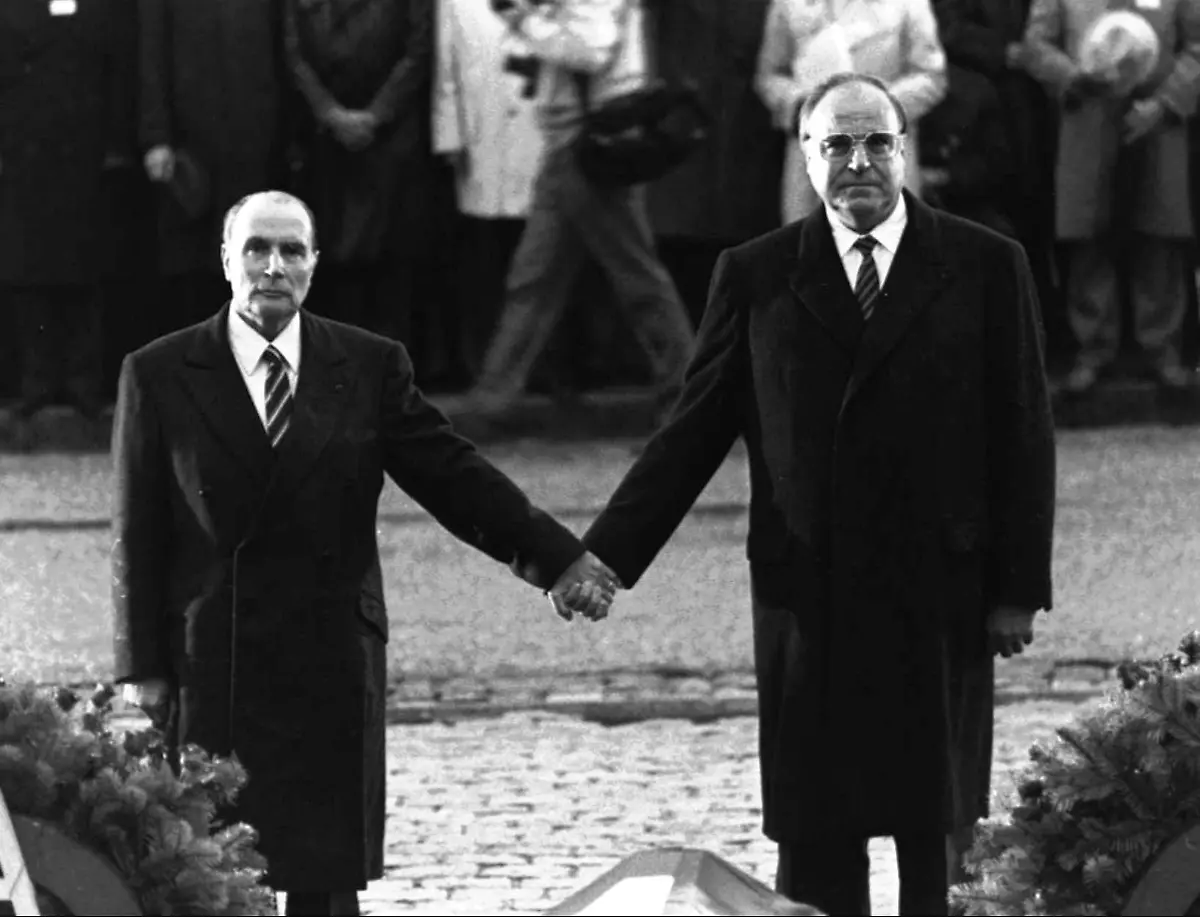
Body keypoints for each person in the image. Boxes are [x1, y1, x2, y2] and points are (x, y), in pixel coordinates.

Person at [564, 73, 1057, 916]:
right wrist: (603, 554)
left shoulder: (985, 263)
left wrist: (1018, 588)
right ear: (805, 155)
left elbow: (1023, 433)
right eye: (837, 144)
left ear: (904, 150)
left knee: (938, 834)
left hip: (939, 593)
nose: (858, 162)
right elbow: (691, 434)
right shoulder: (756, 274)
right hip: (811, 598)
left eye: (875, 143)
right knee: (819, 832)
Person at [111, 190, 618, 917]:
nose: (273, 266)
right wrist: (142, 669)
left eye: (291, 251)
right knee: (207, 874)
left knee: (323, 875)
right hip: (214, 660)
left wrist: (558, 559)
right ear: (225, 260)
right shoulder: (160, 372)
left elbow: (452, 475)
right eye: (257, 248)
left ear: (314, 264)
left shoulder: (367, 364)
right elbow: (136, 529)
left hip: (330, 657)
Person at [460, 0, 697, 422]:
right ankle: (491, 399)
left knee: (636, 278)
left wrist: (525, 20)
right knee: (533, 278)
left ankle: (689, 395)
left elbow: (592, 50)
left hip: (593, 147)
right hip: (569, 147)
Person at [1023, 0, 1200, 396]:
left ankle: (1162, 349)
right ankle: (1093, 349)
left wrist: (1165, 104)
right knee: (1089, 238)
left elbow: (1197, 46)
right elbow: (1036, 44)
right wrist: (1072, 76)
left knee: (1159, 237)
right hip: (1087, 117)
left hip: (1157, 122)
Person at [0, 0, 133, 450]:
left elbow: (117, 69)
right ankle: (36, 383)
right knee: (29, 270)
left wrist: (116, 146)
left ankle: (84, 383)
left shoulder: (102, 9)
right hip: (24, 151)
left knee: (87, 268)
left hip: (88, 152)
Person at [283, 0, 435, 350]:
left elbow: (419, 49)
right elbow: (292, 53)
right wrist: (329, 113)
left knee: (392, 261)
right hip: (321, 139)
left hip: (393, 135)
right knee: (330, 259)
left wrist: (377, 115)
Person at [138, 0, 288, 335]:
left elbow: (281, 44)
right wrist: (156, 135)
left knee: (251, 253)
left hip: (255, 132)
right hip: (189, 139)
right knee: (191, 261)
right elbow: (152, 55)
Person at [433, 0, 546, 382]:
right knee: (483, 261)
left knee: (536, 260)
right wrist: (450, 137)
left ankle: (536, 365)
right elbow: (447, 74)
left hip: (539, 140)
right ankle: (481, 362)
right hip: (483, 144)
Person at [755, 0, 946, 223]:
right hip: (812, 157)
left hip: (884, 151)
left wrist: (875, 107)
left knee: (887, 238)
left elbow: (931, 76)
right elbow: (769, 76)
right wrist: (800, 105)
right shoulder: (789, 4)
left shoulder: (908, 4)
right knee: (808, 239)